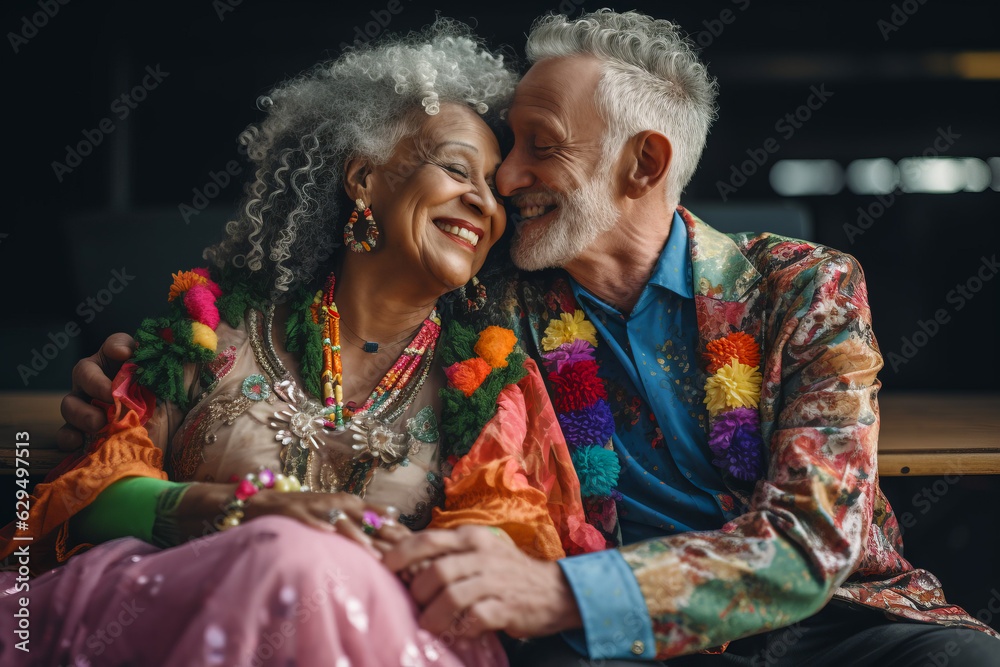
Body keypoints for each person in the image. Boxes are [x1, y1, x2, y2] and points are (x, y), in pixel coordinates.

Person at [52, 9, 1000, 666]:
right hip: (611, 646)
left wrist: (569, 596)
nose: (505, 179)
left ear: (645, 161)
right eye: (502, 150)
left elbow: (809, 541)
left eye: (538, 145)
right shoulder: (497, 302)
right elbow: (354, 286)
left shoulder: (804, 286)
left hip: (840, 625)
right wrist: (141, 369)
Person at [0, 21, 604, 667]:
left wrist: (345, 564)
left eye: (495, 187)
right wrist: (229, 510)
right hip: (170, 619)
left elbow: (504, 547)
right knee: (291, 559)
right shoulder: (212, 331)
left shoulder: (488, 386)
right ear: (363, 179)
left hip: (388, 639)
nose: (484, 201)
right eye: (457, 168)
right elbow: (83, 499)